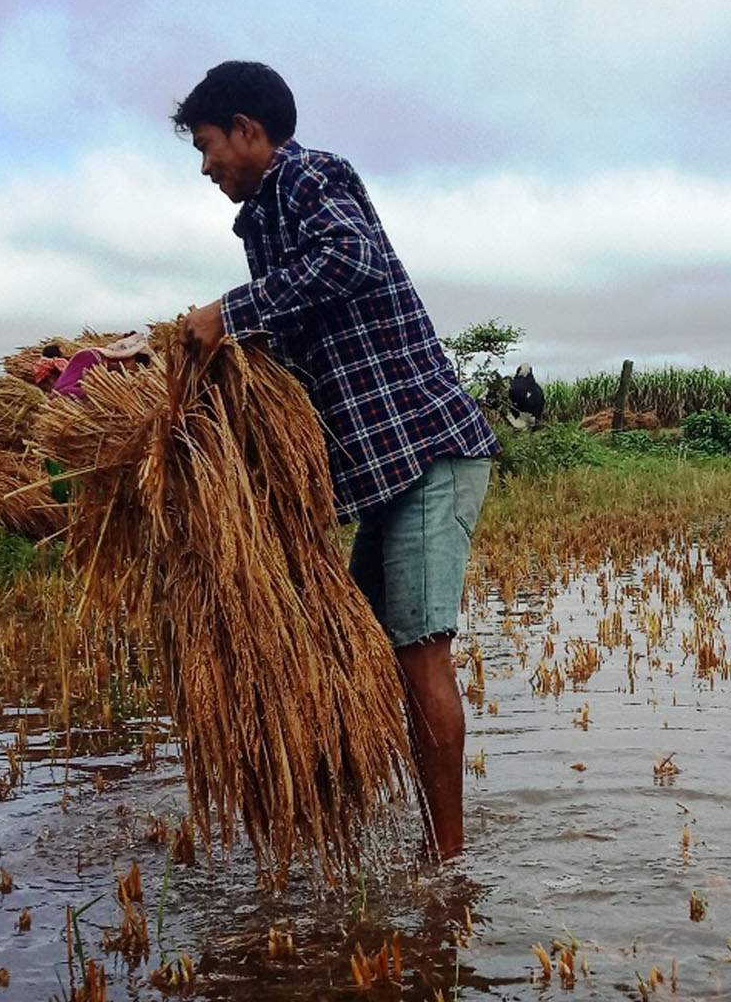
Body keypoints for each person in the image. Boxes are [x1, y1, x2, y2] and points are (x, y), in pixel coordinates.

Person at [173, 60, 499, 859]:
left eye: (210, 146)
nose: (207, 166)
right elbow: (284, 328)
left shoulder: (310, 176)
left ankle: (446, 861)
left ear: (250, 131)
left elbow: (346, 261)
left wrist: (229, 311)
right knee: (358, 646)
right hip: (385, 475)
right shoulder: (264, 225)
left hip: (426, 451)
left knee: (420, 651)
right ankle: (375, 822)